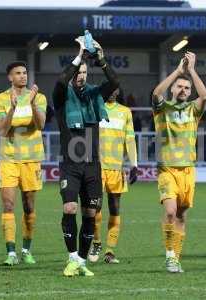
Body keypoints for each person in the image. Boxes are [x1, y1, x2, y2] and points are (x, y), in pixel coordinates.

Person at [53, 36, 119, 276]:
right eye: (78, 72)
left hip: (93, 166)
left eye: (84, 72)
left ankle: (81, 261)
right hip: (71, 165)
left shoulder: (94, 95)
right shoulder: (61, 96)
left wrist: (100, 58)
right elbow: (61, 80)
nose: (81, 75)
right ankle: (71, 257)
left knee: (91, 214)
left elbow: (115, 81)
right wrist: (80, 54)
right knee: (70, 208)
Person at [151, 52, 206, 273]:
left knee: (182, 215)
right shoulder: (162, 109)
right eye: (179, 87)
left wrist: (191, 70)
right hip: (167, 169)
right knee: (170, 212)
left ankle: (176, 256)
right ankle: (169, 256)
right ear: (173, 90)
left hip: (188, 170)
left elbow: (204, 97)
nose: (183, 90)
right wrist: (178, 70)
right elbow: (156, 92)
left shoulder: (193, 110)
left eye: (186, 88)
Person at [0, 61, 46, 266]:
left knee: (29, 207)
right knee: (8, 204)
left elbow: (40, 124)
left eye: (24, 73)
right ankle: (11, 252)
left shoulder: (39, 97)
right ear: (10, 77)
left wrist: (31, 103)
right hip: (9, 159)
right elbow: (3, 130)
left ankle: (26, 250)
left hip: (32, 159)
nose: (23, 76)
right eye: (18, 73)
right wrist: (13, 108)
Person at [88, 88, 138, 264]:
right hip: (97, 167)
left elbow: (130, 139)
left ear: (117, 91)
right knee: (96, 208)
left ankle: (110, 250)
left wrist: (134, 164)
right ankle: (96, 242)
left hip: (117, 168)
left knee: (115, 208)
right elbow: (88, 135)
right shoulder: (94, 108)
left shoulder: (125, 112)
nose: (111, 91)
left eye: (114, 88)